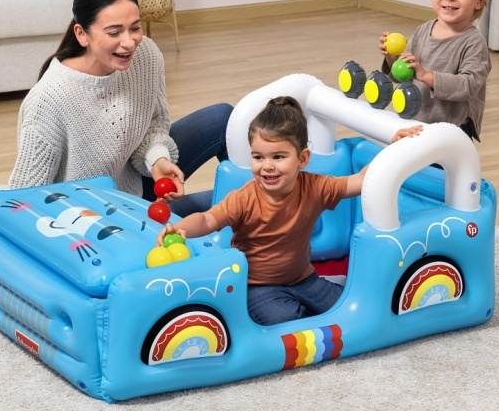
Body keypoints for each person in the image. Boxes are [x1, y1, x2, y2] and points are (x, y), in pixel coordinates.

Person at [0, 0, 231, 292]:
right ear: (81, 34)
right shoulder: (49, 100)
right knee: (230, 207)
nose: (129, 42)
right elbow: (22, 200)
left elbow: (154, 125)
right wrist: (4, 270)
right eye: (114, 32)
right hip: (100, 224)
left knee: (222, 118)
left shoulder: (147, 56)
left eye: (135, 28)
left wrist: (157, 160)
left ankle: (253, 236)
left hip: (135, 181)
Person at [157, 97, 422, 325]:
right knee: (284, 320)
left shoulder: (316, 186)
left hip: (305, 279)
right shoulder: (245, 198)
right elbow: (207, 219)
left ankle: (329, 286)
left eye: (278, 157)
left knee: (349, 308)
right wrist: (180, 229)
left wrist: (393, 146)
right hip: (257, 287)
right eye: (258, 157)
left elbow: (361, 181)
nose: (267, 166)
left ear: (302, 158)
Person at [380, 0, 492, 141]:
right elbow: (404, 74)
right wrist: (392, 58)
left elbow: (468, 85)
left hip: (452, 128)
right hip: (417, 120)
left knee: (439, 162)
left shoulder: (474, 43)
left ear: (480, 1)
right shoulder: (423, 31)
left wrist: (427, 76)